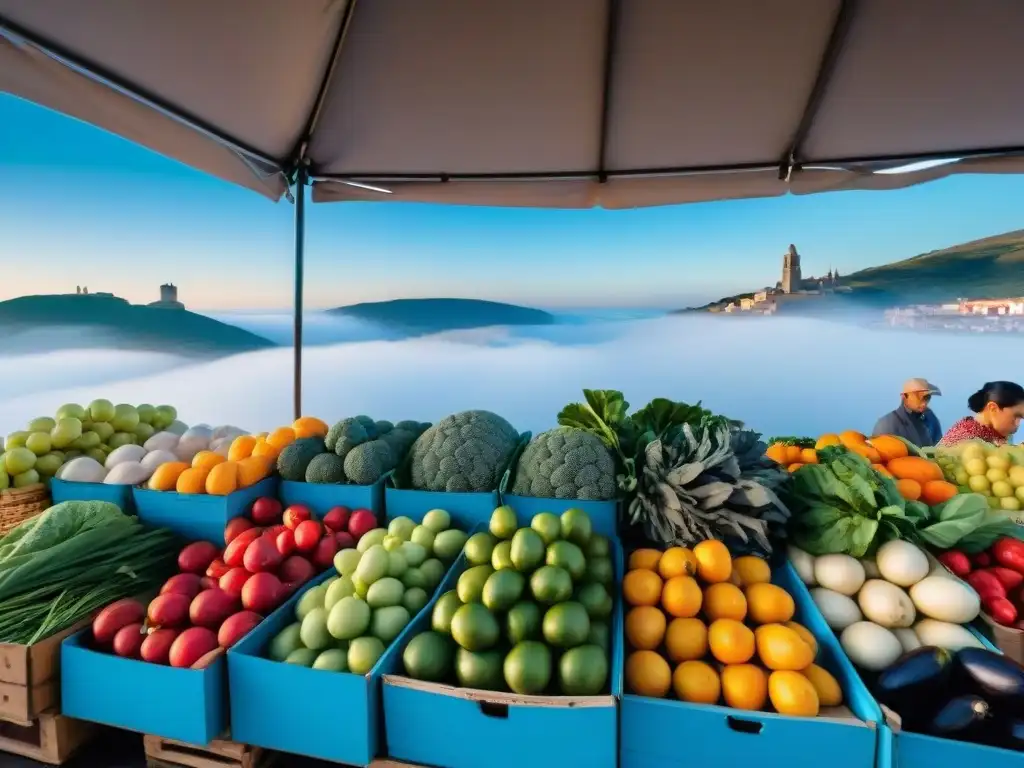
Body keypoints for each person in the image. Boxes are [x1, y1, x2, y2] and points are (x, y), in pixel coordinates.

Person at [938, 381, 1024, 447]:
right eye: (1016, 417)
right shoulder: (966, 440)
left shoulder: (997, 434)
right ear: (993, 408)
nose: (1017, 424)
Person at [871, 378, 943, 447]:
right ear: (904, 397)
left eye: (927, 397)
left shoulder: (930, 417)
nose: (924, 403)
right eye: (919, 397)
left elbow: (939, 446)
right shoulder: (886, 424)